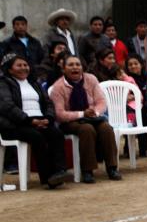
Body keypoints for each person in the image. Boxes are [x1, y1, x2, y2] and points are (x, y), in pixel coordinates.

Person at [50, 54, 122, 184]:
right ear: (63, 69)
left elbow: (101, 101)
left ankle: (112, 168)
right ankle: (87, 171)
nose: (75, 67)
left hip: (92, 117)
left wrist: (95, 112)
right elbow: (60, 114)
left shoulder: (91, 79)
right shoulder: (58, 87)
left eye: (78, 64)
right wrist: (82, 114)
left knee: (106, 128)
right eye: (70, 65)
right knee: (86, 129)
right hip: (70, 121)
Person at [0, 53, 68, 188]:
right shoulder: (3, 83)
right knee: (37, 137)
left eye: (25, 65)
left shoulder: (34, 83)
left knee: (56, 134)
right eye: (19, 65)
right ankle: (48, 177)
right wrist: (29, 121)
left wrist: (48, 118)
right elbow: (7, 106)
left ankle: (60, 171)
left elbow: (48, 103)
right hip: (15, 125)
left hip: (40, 121)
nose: (24, 68)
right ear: (9, 69)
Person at [125, 54, 147, 157]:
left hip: (145, 106)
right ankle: (138, 148)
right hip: (129, 109)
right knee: (143, 112)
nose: (133, 66)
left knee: (146, 111)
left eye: (135, 63)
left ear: (141, 65)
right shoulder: (126, 79)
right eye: (130, 64)